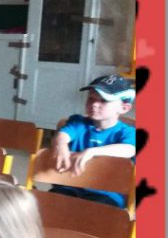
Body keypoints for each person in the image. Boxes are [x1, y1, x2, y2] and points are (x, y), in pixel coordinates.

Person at [47, 74, 136, 207]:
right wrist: (60, 144)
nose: (94, 104)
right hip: (69, 185)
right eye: (91, 98)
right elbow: (62, 135)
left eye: (104, 100)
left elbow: (129, 149)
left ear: (124, 108)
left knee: (95, 213)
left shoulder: (128, 132)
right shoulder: (77, 122)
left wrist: (92, 151)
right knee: (49, 205)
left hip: (106, 192)